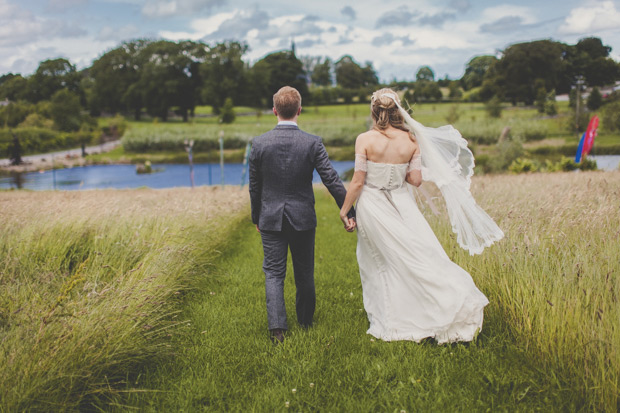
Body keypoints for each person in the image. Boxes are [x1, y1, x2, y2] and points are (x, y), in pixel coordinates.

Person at [338, 88, 503, 343]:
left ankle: (392, 318)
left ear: (374, 111)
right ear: (397, 111)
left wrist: (345, 208)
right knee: (419, 255)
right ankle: (437, 303)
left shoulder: (365, 140)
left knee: (379, 260)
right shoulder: (411, 140)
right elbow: (415, 179)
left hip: (373, 203)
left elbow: (358, 181)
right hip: (402, 203)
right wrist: (398, 168)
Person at [249, 86, 356, 344]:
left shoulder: (259, 143)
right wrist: (349, 210)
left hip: (270, 217)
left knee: (274, 273)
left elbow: (255, 186)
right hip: (303, 217)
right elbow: (331, 179)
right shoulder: (312, 142)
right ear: (299, 110)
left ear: (274, 111)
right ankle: (306, 321)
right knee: (304, 271)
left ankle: (277, 330)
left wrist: (257, 217)